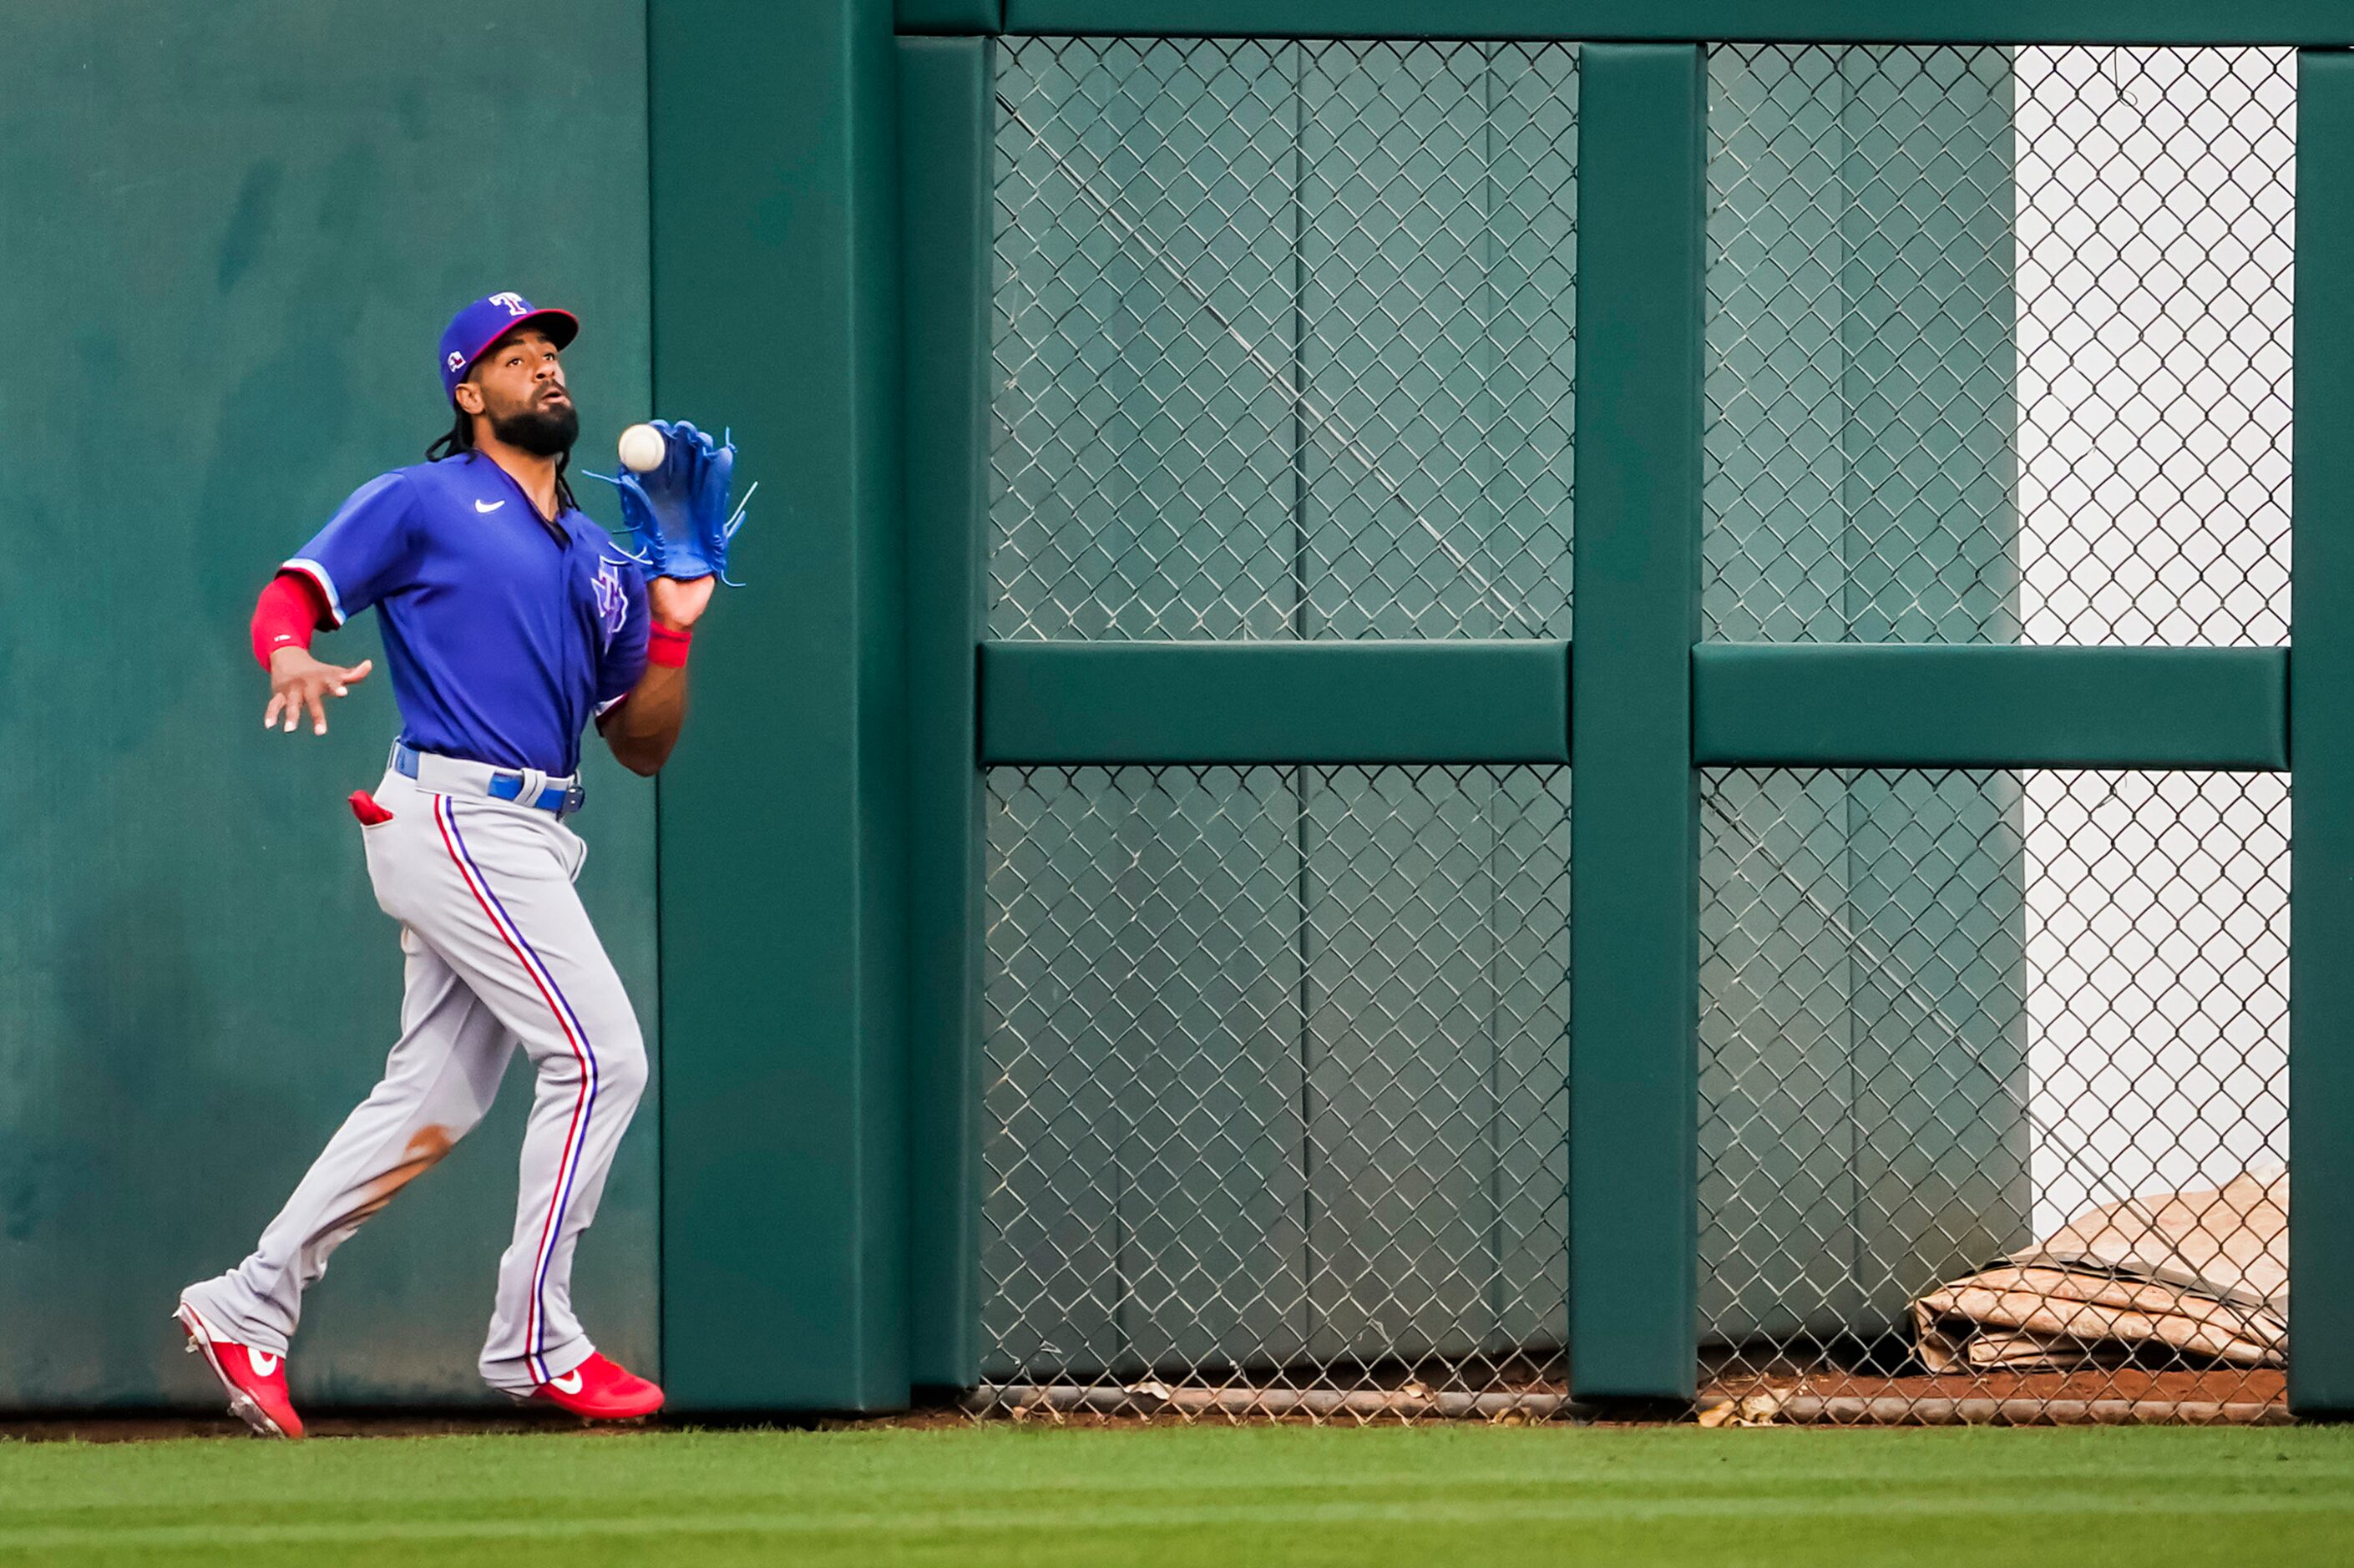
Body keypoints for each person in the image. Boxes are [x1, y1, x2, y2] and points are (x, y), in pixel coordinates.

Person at [175, 293, 710, 1437]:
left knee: (433, 1095)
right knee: (602, 1059)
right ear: (469, 394)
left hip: (536, 829)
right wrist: (288, 654)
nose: (543, 371)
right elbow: (296, 590)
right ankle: (536, 1336)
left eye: (551, 355)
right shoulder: (422, 500)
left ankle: (248, 1298)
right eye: (513, 359)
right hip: (453, 813)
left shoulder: (604, 555)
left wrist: (674, 624)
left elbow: (643, 744)